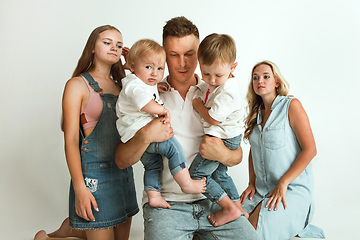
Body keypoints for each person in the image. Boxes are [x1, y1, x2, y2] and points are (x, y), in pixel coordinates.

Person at [115, 16, 260, 240]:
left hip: (213, 202)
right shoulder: (147, 96)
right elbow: (121, 160)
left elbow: (237, 155)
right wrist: (145, 135)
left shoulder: (216, 92)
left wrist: (223, 153)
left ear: (200, 54)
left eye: (189, 54)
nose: (182, 63)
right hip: (167, 206)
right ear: (164, 54)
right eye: (174, 55)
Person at [34, 25, 139, 240]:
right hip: (95, 180)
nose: (114, 48)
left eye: (119, 45)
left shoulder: (125, 86)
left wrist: (133, 69)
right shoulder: (77, 85)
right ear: (92, 47)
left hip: (123, 175)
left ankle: (69, 231)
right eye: (107, 42)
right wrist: (80, 188)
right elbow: (71, 140)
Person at [116, 39, 206, 209]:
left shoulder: (145, 84)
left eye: (159, 68)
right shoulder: (134, 85)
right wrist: (161, 110)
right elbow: (143, 102)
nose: (154, 73)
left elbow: (146, 88)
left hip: (138, 134)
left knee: (153, 165)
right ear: (133, 67)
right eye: (149, 67)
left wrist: (157, 85)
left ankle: (154, 194)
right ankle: (186, 183)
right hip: (140, 132)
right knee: (174, 149)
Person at [240, 60, 325, 240]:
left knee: (252, 233)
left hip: (291, 191)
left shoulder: (291, 106)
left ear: (276, 82)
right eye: (255, 78)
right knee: (232, 223)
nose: (259, 81)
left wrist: (284, 182)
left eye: (266, 76)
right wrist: (252, 182)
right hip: (262, 191)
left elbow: (310, 149)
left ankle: (297, 221)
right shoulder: (256, 114)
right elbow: (254, 149)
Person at [189, 33, 248, 227]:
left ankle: (228, 208)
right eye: (206, 74)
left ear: (233, 68)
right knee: (220, 174)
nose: (212, 80)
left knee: (197, 174)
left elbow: (213, 119)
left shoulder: (228, 92)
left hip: (224, 138)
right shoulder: (217, 83)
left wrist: (198, 106)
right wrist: (200, 82)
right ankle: (238, 208)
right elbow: (206, 86)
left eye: (217, 75)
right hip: (228, 135)